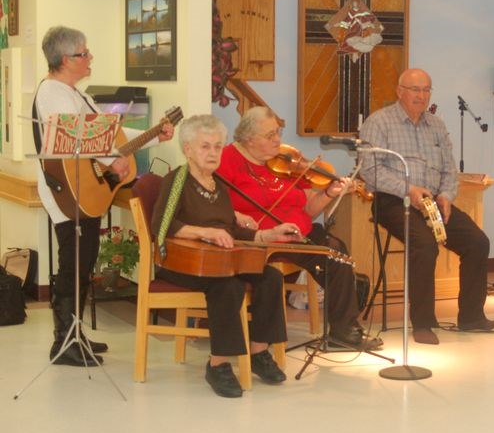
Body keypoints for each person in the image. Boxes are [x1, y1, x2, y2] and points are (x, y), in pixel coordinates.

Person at [32, 26, 174, 367]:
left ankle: (75, 335)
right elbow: (77, 141)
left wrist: (156, 134)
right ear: (66, 59)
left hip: (86, 191)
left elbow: (111, 136)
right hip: (69, 194)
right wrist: (114, 159)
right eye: (84, 53)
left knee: (83, 264)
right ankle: (63, 342)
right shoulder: (53, 93)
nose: (90, 57)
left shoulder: (75, 93)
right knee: (73, 267)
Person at [152, 115, 299, 397]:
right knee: (227, 286)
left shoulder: (218, 184)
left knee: (270, 277)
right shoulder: (176, 180)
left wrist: (268, 235)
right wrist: (203, 232)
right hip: (183, 263)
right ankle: (218, 364)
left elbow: (229, 229)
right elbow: (161, 226)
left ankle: (258, 352)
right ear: (188, 149)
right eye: (205, 146)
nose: (213, 153)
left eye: (218, 147)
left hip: (221, 260)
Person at [216, 106, 382, 350]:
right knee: (332, 257)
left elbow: (309, 210)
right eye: (270, 135)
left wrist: (329, 192)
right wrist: (238, 216)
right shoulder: (227, 161)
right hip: (263, 240)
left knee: (337, 252)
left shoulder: (284, 163)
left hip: (297, 233)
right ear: (249, 139)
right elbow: (215, 205)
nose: (278, 140)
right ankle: (341, 327)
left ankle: (343, 330)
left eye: (278, 133)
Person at [358, 68, 494, 345]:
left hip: (435, 201)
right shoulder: (379, 123)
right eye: (415, 90)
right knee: (425, 244)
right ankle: (422, 322)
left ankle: (471, 317)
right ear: (400, 91)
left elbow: (449, 168)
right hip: (394, 201)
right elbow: (369, 171)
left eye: (426, 90)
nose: (421, 96)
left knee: (478, 242)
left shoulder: (436, 125)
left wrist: (446, 195)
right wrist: (408, 190)